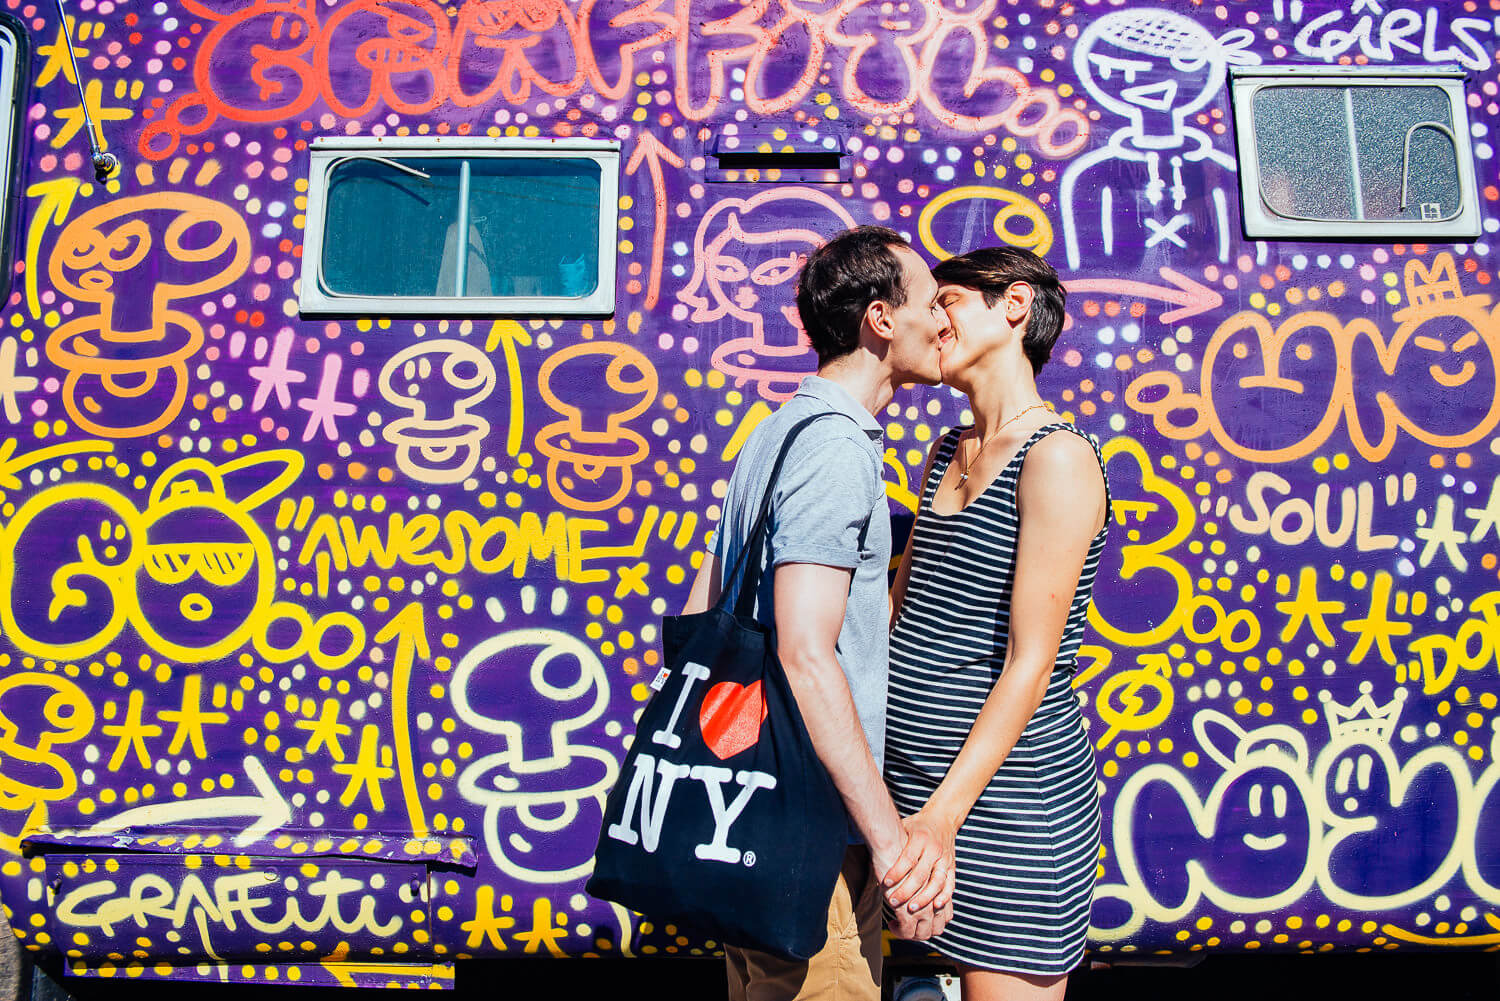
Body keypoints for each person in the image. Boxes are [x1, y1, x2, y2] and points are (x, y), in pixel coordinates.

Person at [683, 225, 958, 1001]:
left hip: (754, 821)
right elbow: (807, 652)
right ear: (880, 318)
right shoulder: (836, 448)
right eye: (931, 304)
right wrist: (889, 839)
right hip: (813, 842)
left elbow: (704, 613)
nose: (942, 323)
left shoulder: (775, 433)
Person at [881, 247, 1110, 1001]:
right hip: (913, 798)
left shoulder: (1058, 457)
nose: (929, 318)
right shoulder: (948, 448)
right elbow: (903, 610)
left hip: (1005, 812)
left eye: (946, 299)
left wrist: (940, 820)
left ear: (1013, 306)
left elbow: (1030, 662)